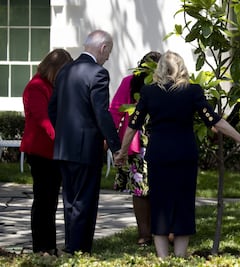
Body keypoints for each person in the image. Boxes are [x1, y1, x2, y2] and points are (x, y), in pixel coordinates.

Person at [114, 50, 240, 258]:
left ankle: (163, 257)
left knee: (160, 203)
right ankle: (180, 256)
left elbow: (133, 125)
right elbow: (215, 120)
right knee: (183, 203)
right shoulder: (192, 91)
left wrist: (123, 152)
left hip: (159, 154)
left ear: (160, 69)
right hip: (184, 154)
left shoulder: (149, 92)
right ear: (181, 68)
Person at [48, 30, 121, 254]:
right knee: (85, 201)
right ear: (103, 48)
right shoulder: (98, 73)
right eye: (108, 52)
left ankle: (72, 245)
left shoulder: (64, 71)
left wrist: (63, 133)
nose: (108, 57)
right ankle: (79, 250)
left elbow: (52, 109)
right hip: (86, 149)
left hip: (64, 148)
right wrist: (116, 146)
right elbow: (102, 113)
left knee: (70, 201)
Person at [20, 49, 73, 256]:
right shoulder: (36, 87)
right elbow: (43, 120)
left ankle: (49, 245)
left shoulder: (53, 86)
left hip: (53, 151)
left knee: (51, 201)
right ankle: (41, 247)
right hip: (40, 151)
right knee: (43, 200)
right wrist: (61, 140)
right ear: (54, 69)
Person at [109, 51, 161, 246]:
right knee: (140, 190)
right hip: (138, 142)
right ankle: (145, 233)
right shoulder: (130, 82)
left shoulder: (166, 85)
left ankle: (154, 231)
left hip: (157, 140)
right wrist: (111, 140)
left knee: (155, 189)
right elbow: (116, 110)